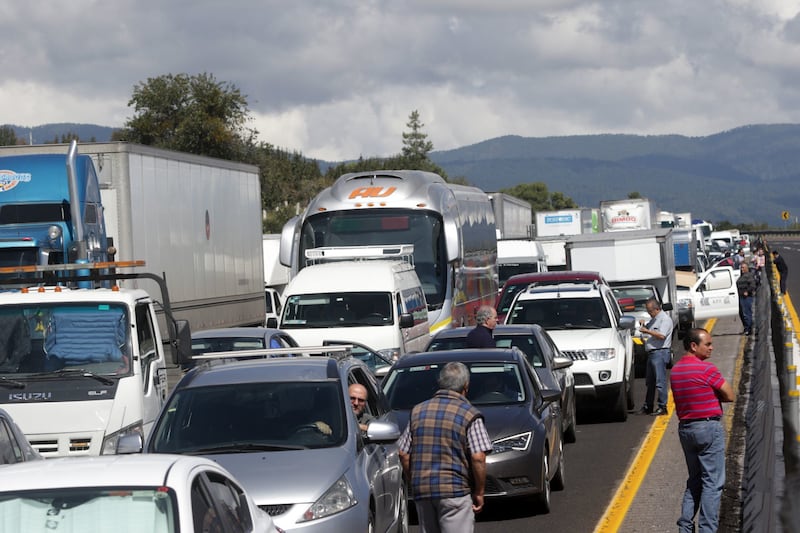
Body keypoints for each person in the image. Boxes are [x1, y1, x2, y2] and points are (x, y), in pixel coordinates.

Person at [398, 362, 493, 533]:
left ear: (440, 382)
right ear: (466, 386)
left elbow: (403, 453)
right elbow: (478, 457)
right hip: (454, 491)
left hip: (423, 491)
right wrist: (479, 492)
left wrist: (415, 481)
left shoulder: (418, 411)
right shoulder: (469, 414)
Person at [670, 328, 735, 533]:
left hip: (686, 429)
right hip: (708, 428)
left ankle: (685, 527)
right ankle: (707, 529)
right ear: (693, 346)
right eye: (707, 344)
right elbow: (730, 394)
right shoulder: (706, 369)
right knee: (713, 483)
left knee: (695, 480)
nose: (711, 348)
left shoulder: (676, 371)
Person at [636, 298, 674, 416]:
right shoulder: (654, 320)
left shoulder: (665, 319)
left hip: (660, 352)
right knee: (650, 381)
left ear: (657, 309)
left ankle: (662, 406)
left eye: (650, 311)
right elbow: (647, 330)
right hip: (652, 352)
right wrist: (643, 326)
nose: (649, 313)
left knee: (660, 381)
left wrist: (647, 331)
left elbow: (661, 335)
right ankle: (648, 406)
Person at [736, 262, 757, 336]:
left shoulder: (749, 276)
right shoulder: (741, 276)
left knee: (747, 313)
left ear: (747, 268)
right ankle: (746, 328)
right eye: (741, 268)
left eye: (743, 268)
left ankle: (749, 329)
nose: (742, 269)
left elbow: (753, 285)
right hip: (741, 297)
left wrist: (747, 291)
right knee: (742, 313)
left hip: (746, 297)